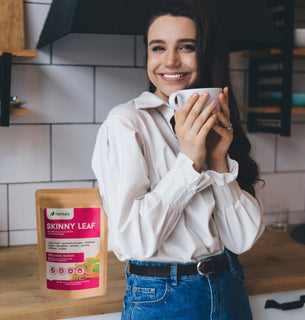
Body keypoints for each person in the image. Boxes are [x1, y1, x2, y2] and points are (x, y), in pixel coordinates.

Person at [92, 0, 264, 319]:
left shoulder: (216, 119)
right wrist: (188, 161)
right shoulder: (126, 124)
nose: (170, 61)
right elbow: (133, 240)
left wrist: (217, 160)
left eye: (186, 47)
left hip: (229, 284)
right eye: (158, 47)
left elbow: (241, 239)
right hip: (163, 296)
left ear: (206, 53)